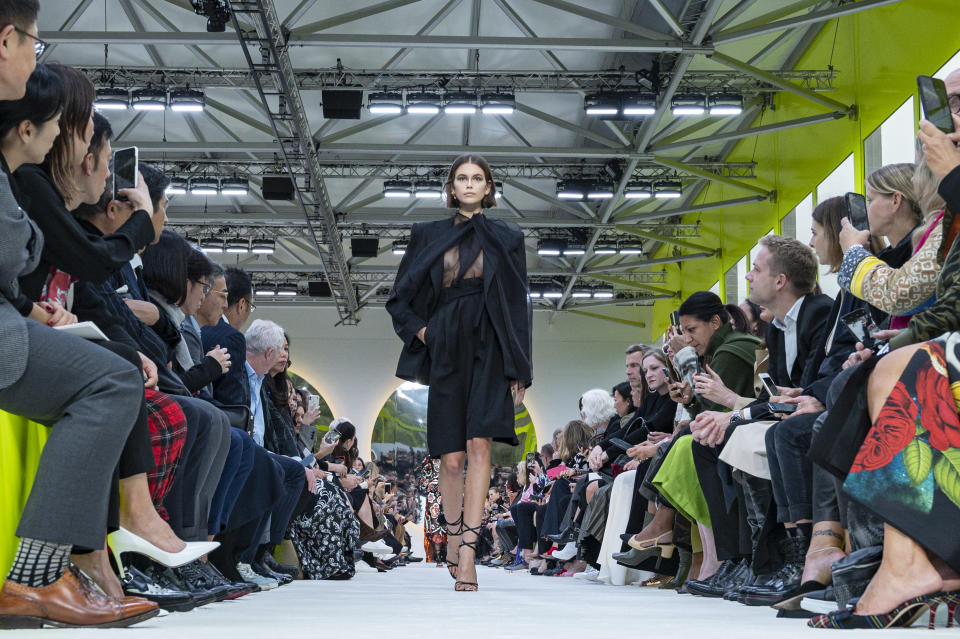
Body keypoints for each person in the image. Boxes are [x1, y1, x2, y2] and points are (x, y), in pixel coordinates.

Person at [0, 1, 158, 627]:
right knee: (113, 376)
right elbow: (79, 260)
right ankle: (41, 575)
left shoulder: (23, 178)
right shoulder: (25, 180)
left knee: (117, 372)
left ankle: (69, 567)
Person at [386, 153, 532, 592]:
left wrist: (520, 369)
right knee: (450, 458)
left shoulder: (508, 237)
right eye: (462, 178)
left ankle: (468, 552)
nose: (469, 185)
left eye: (478, 178)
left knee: (479, 444)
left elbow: (518, 306)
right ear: (452, 188)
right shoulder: (427, 234)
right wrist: (425, 333)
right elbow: (399, 298)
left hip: (490, 343)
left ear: (489, 188)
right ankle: (450, 536)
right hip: (446, 342)